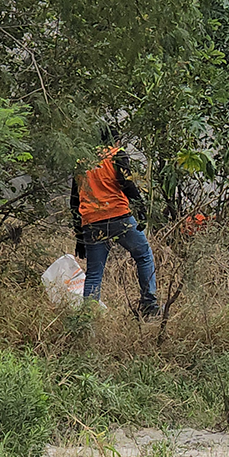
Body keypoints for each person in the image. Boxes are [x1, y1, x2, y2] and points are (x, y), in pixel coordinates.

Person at [71, 129, 160, 317]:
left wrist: (80, 237)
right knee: (143, 255)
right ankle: (149, 304)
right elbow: (126, 183)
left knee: (94, 273)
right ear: (116, 141)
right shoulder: (116, 155)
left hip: (92, 223)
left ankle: (88, 318)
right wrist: (141, 208)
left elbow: (74, 200)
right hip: (119, 217)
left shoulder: (81, 163)